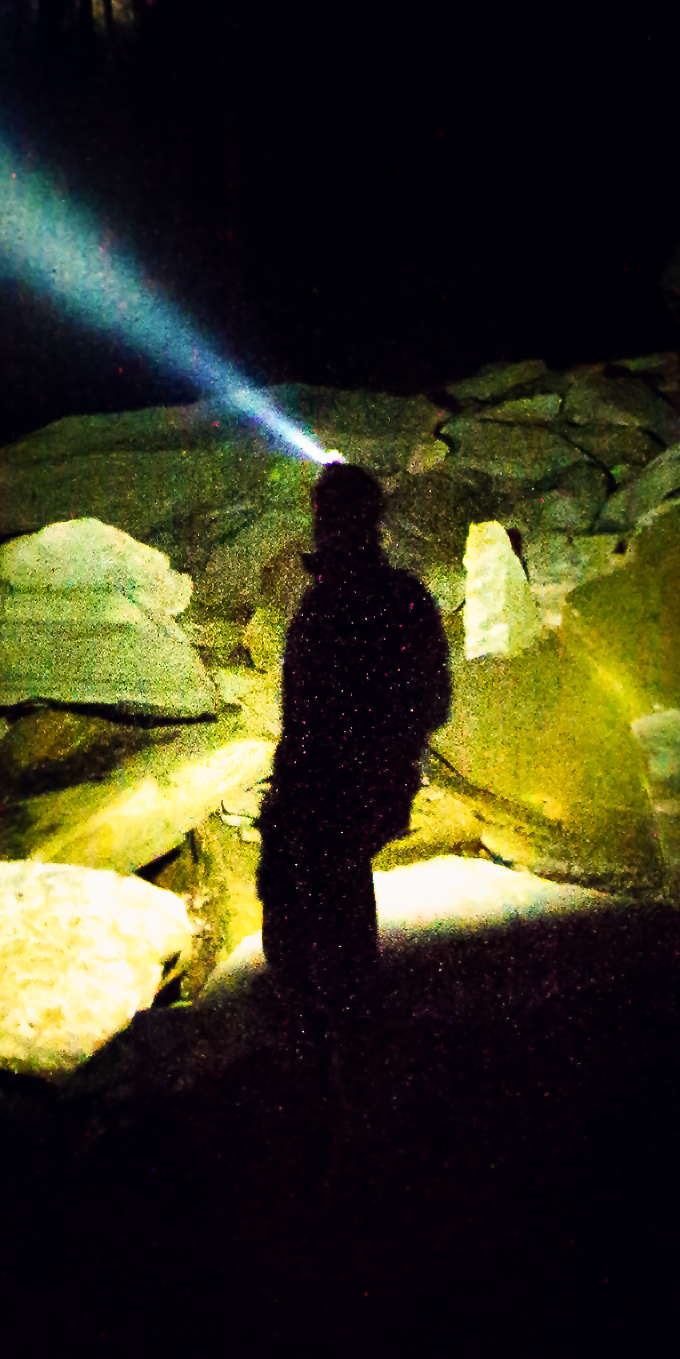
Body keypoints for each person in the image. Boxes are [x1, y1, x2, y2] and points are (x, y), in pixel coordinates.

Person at [257, 456, 450, 1072]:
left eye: (326, 515)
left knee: (310, 910)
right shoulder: (403, 599)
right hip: (359, 782)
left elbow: (312, 712)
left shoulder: (334, 606)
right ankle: (346, 1046)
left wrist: (360, 757)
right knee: (337, 906)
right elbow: (433, 700)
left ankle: (327, 1059)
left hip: (331, 783)